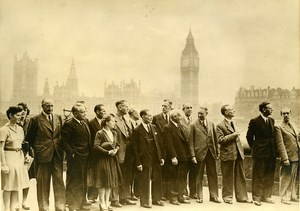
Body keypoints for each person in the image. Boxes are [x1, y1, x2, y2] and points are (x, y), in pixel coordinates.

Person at [26, 98, 66, 211]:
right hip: (42, 156)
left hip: (57, 154)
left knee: (59, 182)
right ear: (42, 106)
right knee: (43, 183)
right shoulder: (35, 119)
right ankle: (44, 208)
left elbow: (60, 135)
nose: (50, 108)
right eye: (48, 106)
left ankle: (60, 207)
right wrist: (37, 150)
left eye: (52, 106)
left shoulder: (58, 117)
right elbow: (29, 139)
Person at [216, 105, 251, 204]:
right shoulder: (219, 125)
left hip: (238, 153)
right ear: (226, 112)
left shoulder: (234, 122)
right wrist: (233, 135)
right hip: (228, 154)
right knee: (227, 177)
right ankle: (227, 197)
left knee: (240, 176)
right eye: (231, 109)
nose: (234, 110)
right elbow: (220, 140)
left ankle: (242, 197)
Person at [62, 102, 92, 211]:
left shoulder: (85, 122)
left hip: (85, 156)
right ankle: (72, 204)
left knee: (83, 180)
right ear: (74, 113)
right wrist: (72, 153)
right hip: (76, 157)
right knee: (74, 180)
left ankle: (82, 202)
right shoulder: (69, 124)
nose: (85, 114)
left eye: (85, 111)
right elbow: (64, 142)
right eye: (82, 112)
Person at [132, 109, 165, 208]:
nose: (151, 117)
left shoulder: (154, 127)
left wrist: (161, 157)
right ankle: (144, 201)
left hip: (155, 158)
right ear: (142, 117)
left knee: (157, 179)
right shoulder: (137, 130)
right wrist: (138, 163)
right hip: (144, 159)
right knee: (144, 180)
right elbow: (134, 148)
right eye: (148, 116)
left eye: (151, 116)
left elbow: (158, 144)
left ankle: (156, 199)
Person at [246, 102, 277, 206]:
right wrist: (256, 148)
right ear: (264, 110)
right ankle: (256, 197)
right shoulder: (254, 121)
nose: (272, 110)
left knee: (269, 175)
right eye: (270, 108)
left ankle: (266, 196)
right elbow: (249, 137)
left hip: (271, 152)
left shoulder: (271, 120)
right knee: (258, 175)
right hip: (260, 153)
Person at [189, 106, 221, 203]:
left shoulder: (211, 124)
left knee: (213, 174)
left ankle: (214, 196)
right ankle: (200, 196)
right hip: (199, 153)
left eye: (201, 113)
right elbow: (190, 142)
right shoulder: (193, 125)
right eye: (198, 113)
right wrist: (193, 156)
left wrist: (217, 151)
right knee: (199, 175)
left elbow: (215, 139)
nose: (199, 115)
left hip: (211, 153)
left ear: (206, 113)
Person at [1, 106, 30, 211]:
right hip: (9, 157)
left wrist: (26, 155)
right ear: (10, 115)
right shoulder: (4, 130)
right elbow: (1, 148)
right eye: (18, 115)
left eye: (21, 115)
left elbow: (22, 145)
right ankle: (6, 209)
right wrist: (3, 164)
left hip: (19, 157)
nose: (20, 117)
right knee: (8, 186)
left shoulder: (20, 129)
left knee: (16, 185)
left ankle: (13, 209)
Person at [93, 114, 122, 211]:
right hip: (103, 160)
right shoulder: (99, 133)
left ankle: (107, 202)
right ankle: (102, 203)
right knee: (103, 182)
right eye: (113, 121)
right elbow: (96, 146)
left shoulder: (114, 133)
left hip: (112, 160)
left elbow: (117, 144)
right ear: (107, 122)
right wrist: (107, 152)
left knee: (110, 182)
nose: (114, 123)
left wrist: (116, 150)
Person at [111, 100, 136, 207]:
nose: (128, 108)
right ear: (120, 107)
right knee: (116, 176)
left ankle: (124, 197)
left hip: (129, 152)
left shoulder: (128, 120)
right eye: (126, 106)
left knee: (127, 175)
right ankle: (114, 199)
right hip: (118, 152)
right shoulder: (112, 119)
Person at [163, 109, 190, 205]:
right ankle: (173, 197)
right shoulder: (168, 127)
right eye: (179, 116)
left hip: (183, 157)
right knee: (174, 177)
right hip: (175, 158)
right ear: (174, 117)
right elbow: (168, 144)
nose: (181, 118)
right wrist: (173, 157)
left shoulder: (180, 126)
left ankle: (180, 196)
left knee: (182, 177)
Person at [275, 108, 300, 204]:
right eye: (284, 113)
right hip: (288, 156)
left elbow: (295, 138)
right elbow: (280, 144)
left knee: (295, 177)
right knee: (285, 176)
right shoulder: (279, 127)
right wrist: (285, 158)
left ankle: (293, 195)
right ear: (281, 114)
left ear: (290, 114)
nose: (286, 115)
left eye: (287, 113)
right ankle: (283, 197)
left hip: (296, 154)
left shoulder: (293, 124)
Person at [152, 99, 172, 200]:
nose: (164, 108)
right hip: (160, 148)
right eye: (162, 106)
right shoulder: (156, 118)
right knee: (161, 171)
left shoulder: (173, 117)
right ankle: (162, 194)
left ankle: (169, 193)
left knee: (170, 171)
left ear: (170, 107)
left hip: (170, 148)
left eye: (166, 106)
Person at [87, 104, 107, 203]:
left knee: (102, 174)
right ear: (97, 112)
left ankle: (102, 198)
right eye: (103, 111)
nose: (105, 113)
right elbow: (89, 139)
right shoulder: (91, 123)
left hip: (104, 153)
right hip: (94, 153)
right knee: (93, 174)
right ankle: (91, 196)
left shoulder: (105, 123)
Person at [17, 102, 33, 210]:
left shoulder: (30, 122)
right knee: (16, 178)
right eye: (21, 110)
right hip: (16, 153)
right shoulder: (14, 123)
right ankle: (16, 202)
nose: (23, 112)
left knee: (26, 178)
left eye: (25, 110)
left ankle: (24, 201)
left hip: (28, 153)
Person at [181, 103, 197, 199]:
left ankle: (193, 192)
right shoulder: (180, 121)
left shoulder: (193, 121)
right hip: (183, 151)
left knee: (193, 172)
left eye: (191, 107)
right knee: (183, 173)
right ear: (183, 109)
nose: (189, 109)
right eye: (187, 108)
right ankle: (183, 192)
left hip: (192, 151)